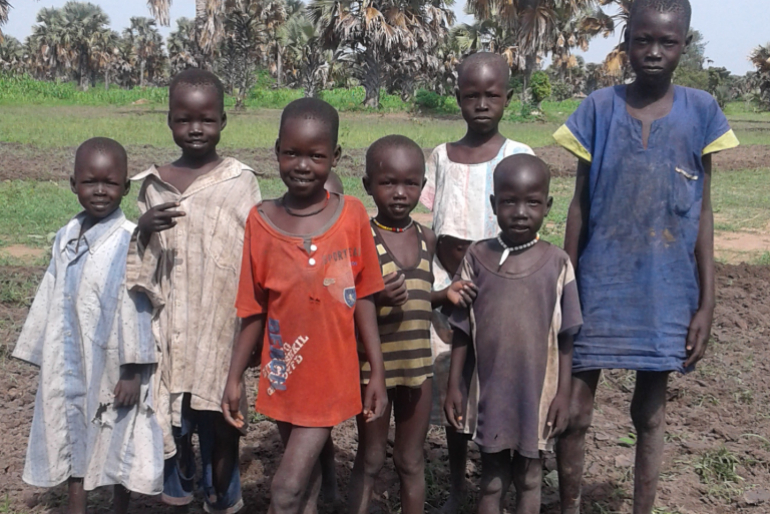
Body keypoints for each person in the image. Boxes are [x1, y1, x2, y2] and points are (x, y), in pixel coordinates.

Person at [552, 1, 740, 513]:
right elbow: (579, 206)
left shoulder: (701, 112)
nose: (653, 53)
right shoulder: (597, 108)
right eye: (642, 40)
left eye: (668, 42)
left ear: (684, 43)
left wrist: (707, 303)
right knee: (574, 408)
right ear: (626, 39)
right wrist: (566, 284)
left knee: (650, 413)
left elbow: (702, 213)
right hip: (597, 283)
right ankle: (568, 505)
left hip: (666, 289)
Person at [221, 98, 388, 514]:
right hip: (282, 374)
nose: (302, 165)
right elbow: (254, 308)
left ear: (335, 157)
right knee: (307, 487)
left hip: (331, 376)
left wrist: (377, 373)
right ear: (276, 150)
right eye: (292, 153)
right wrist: (234, 377)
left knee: (285, 488)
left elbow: (364, 296)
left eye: (316, 156)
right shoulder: (260, 222)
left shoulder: (351, 216)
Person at [126, 69, 261, 514]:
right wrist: (143, 230)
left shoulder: (240, 181)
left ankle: (222, 495)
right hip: (167, 331)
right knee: (170, 421)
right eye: (184, 119)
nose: (196, 129)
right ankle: (179, 486)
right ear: (169, 121)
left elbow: (254, 253)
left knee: (219, 420)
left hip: (220, 328)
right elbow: (139, 268)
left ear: (223, 120)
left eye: (206, 119)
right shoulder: (153, 184)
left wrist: (255, 332)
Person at [13, 137, 163, 514]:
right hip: (69, 357)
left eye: (110, 183)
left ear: (126, 188)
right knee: (70, 428)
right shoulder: (66, 236)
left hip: (113, 364)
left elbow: (138, 305)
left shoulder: (130, 239)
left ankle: (119, 507)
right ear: (73, 184)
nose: (99, 191)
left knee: (118, 432)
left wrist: (132, 370)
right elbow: (52, 289)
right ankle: (75, 505)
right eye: (90, 182)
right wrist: (40, 351)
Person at [419, 51, 535, 514]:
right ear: (458, 98)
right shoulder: (442, 156)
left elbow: (526, 225)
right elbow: (433, 219)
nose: (482, 104)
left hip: (500, 289)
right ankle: (455, 486)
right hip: (449, 288)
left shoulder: (518, 155)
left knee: (496, 386)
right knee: (454, 384)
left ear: (507, 97)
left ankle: (498, 484)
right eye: (472, 95)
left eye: (492, 95)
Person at [444, 154, 581, 514]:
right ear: (494, 204)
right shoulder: (477, 257)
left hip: (536, 393)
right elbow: (461, 327)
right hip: (491, 388)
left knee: (530, 478)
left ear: (547, 206)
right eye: (509, 201)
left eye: (532, 202)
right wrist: (455, 384)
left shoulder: (558, 263)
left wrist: (563, 393)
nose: (520, 211)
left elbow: (566, 336)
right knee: (491, 479)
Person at [348, 135, 476, 514]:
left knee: (410, 460)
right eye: (388, 183)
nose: (400, 193)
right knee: (370, 459)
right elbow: (350, 304)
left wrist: (444, 295)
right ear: (368, 184)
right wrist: (377, 297)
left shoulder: (427, 238)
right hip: (375, 370)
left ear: (424, 186)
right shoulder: (361, 239)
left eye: (411, 183)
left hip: (419, 370)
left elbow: (421, 293)